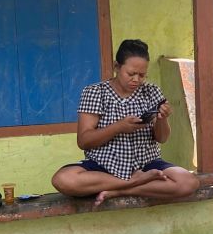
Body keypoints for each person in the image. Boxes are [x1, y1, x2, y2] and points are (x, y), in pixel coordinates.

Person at [51, 39, 201, 207]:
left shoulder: (152, 92)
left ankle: (121, 189)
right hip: (104, 166)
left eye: (142, 75)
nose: (136, 80)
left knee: (188, 182)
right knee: (63, 179)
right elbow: (84, 141)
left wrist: (162, 118)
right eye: (131, 74)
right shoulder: (95, 92)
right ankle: (133, 182)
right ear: (117, 67)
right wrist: (118, 127)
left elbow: (162, 138)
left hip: (146, 164)